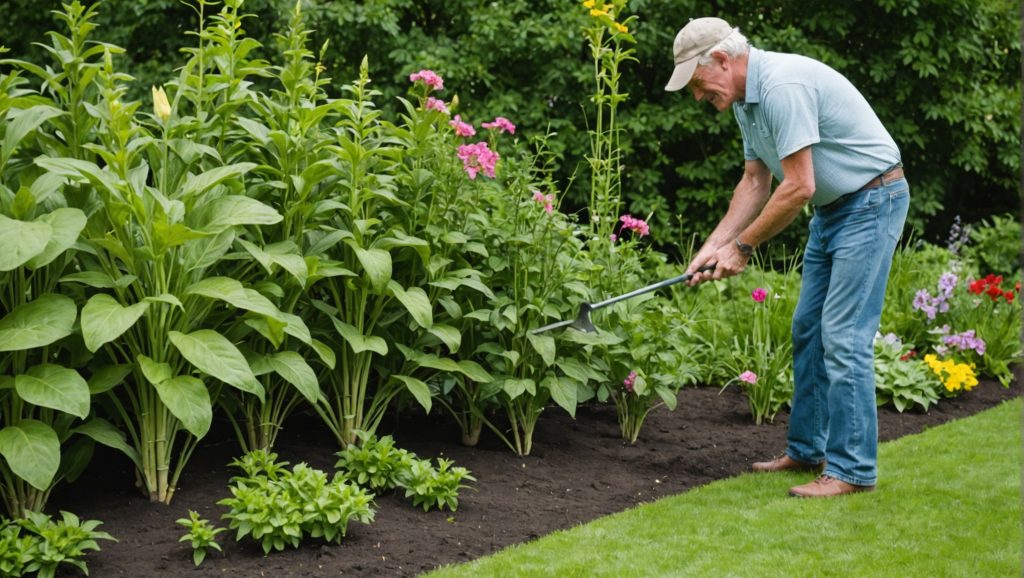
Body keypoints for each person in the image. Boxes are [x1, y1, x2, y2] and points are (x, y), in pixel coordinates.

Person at [665, 17, 910, 497]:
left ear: (722, 59)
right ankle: (807, 450)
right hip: (832, 213)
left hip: (870, 202)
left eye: (698, 83)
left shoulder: (781, 86)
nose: (698, 97)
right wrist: (713, 247)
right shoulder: (745, 103)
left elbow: (798, 185)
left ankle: (852, 471)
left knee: (844, 337)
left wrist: (742, 248)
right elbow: (755, 183)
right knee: (807, 330)